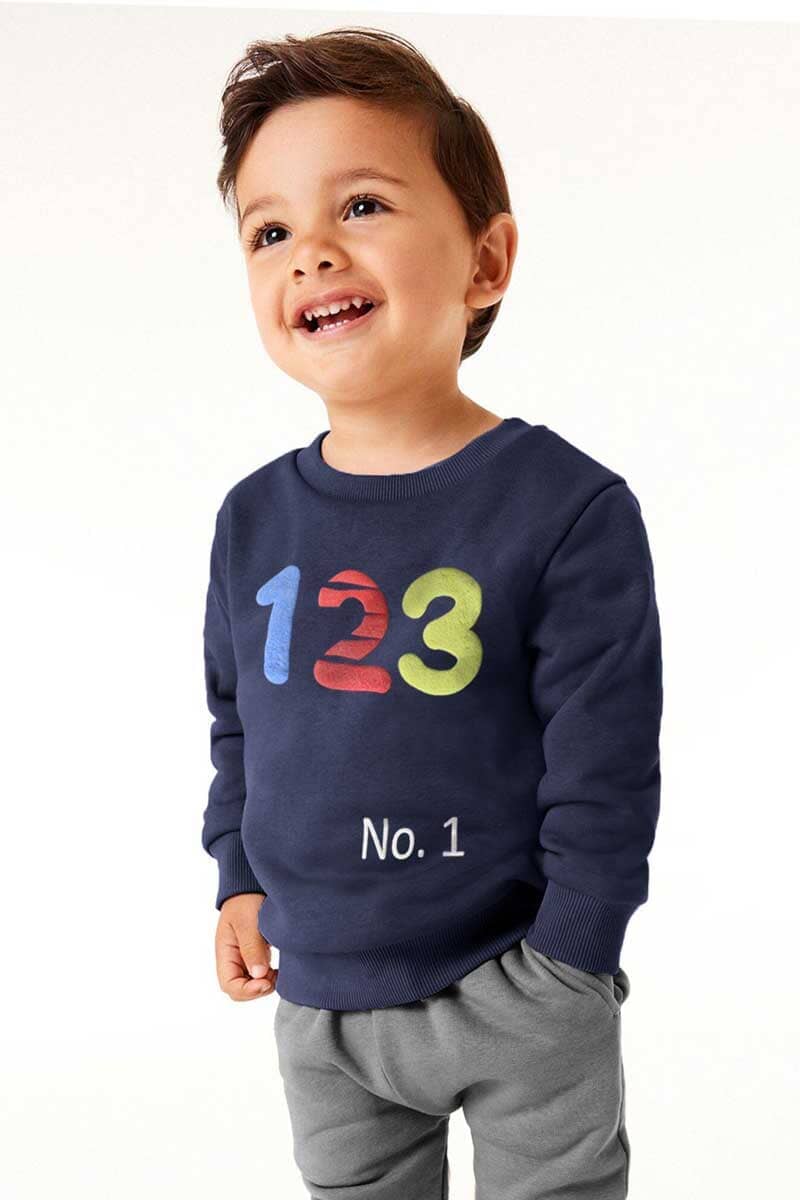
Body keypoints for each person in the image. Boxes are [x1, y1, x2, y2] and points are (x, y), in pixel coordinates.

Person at [201, 26, 663, 1200]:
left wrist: (570, 961)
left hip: (516, 981)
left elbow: (605, 763)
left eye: (360, 205)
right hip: (321, 997)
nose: (311, 252)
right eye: (268, 232)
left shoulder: (566, 510)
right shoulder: (252, 520)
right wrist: (239, 881)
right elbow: (239, 724)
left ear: (484, 260)